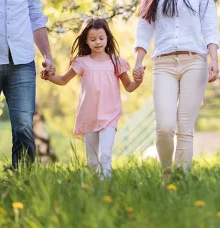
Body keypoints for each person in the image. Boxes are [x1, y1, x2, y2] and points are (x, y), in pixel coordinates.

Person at [134, 0, 220, 183]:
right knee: (164, 126)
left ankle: (180, 179)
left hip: (195, 62)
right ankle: (166, 173)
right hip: (163, 64)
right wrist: (138, 60)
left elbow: (210, 27)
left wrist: (214, 59)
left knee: (185, 126)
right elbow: (144, 26)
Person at [41, 17, 143, 179]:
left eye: (101, 38)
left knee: (104, 156)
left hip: (110, 116)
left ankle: (106, 188)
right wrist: (49, 77)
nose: (98, 42)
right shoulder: (81, 62)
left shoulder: (116, 62)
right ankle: (93, 189)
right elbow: (62, 80)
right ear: (86, 41)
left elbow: (129, 87)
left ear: (107, 38)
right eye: (93, 39)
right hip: (88, 117)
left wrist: (138, 81)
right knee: (92, 162)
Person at [0, 0, 55, 168]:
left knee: (23, 126)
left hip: (21, 60)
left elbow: (36, 16)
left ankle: (23, 183)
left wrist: (47, 56)